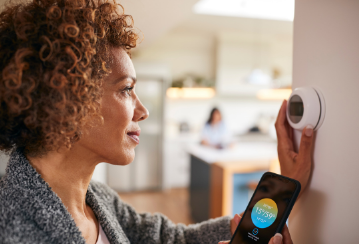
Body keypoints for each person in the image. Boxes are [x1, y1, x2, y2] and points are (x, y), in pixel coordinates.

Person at [0, 1, 314, 243]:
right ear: (66, 99)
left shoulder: (98, 200)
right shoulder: (13, 229)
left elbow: (173, 240)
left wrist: (278, 194)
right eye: (126, 89)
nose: (143, 111)